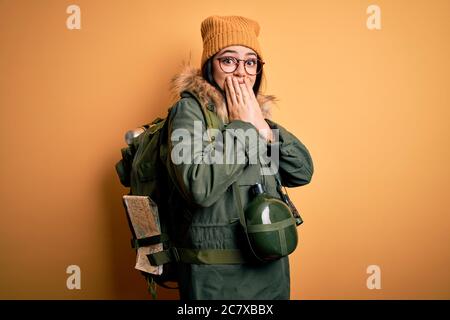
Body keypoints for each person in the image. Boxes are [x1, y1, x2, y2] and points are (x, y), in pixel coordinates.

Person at [164, 15, 314, 300]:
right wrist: (244, 127)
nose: (242, 73)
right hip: (216, 277)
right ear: (210, 66)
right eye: (229, 60)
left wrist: (262, 127)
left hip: (271, 269)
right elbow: (199, 187)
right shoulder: (189, 112)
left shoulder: (256, 115)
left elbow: (302, 172)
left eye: (250, 62)